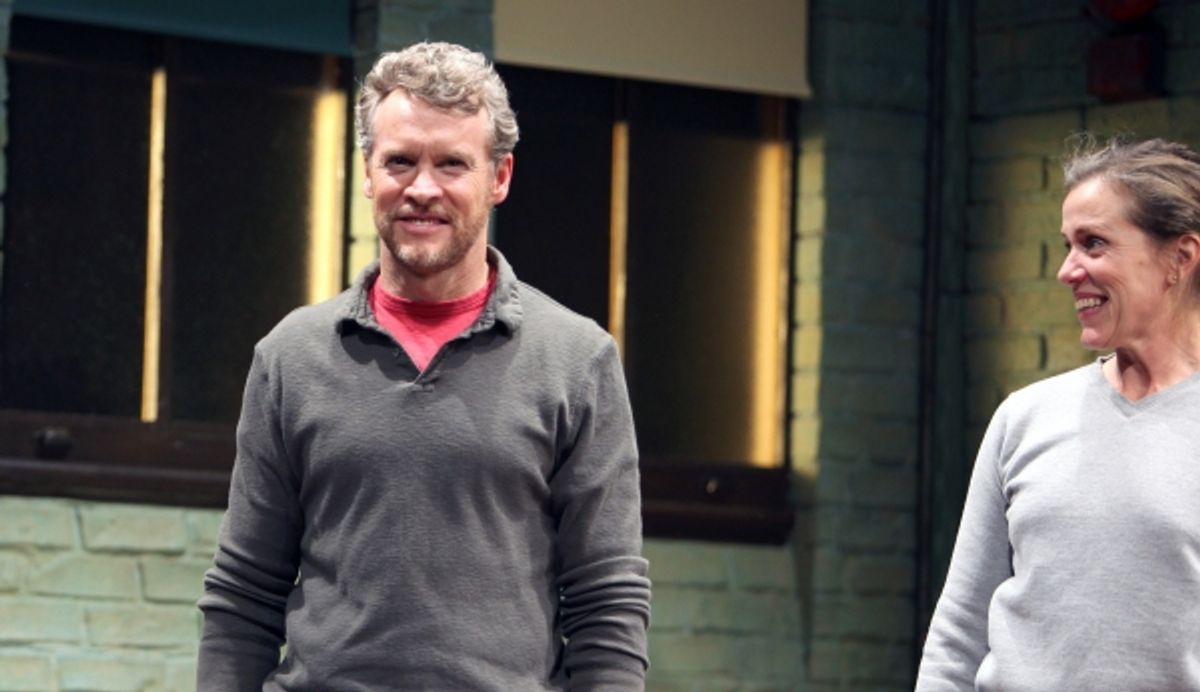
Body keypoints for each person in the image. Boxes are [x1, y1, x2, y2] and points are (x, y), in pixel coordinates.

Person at [197, 42, 651, 690]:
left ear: (499, 177)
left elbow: (607, 602)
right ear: (367, 171)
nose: (423, 189)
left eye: (452, 164)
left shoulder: (578, 362)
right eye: (401, 162)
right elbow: (244, 593)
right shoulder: (289, 357)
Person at [916, 136, 1200, 690]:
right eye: (1068, 245)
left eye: (1094, 244)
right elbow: (959, 631)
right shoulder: (1026, 418)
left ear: (1180, 258)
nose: (1068, 271)